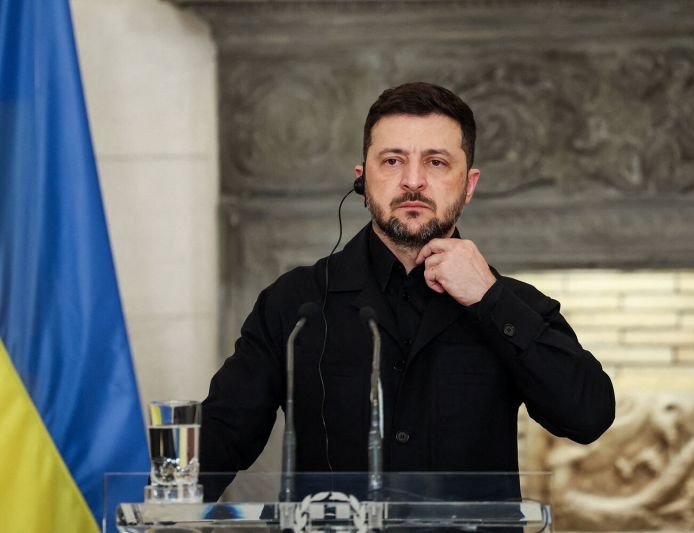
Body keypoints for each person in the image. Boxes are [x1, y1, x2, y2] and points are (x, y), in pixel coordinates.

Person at [200, 82, 615, 500]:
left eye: (436, 162)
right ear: (363, 180)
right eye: (392, 161)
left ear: (468, 185)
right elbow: (220, 440)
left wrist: (490, 300)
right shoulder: (293, 303)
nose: (413, 181)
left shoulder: (515, 305)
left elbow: (588, 416)